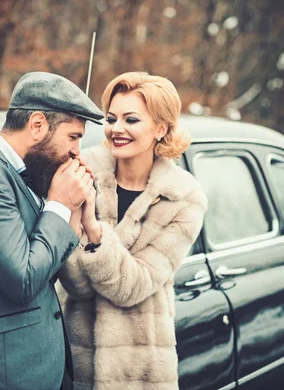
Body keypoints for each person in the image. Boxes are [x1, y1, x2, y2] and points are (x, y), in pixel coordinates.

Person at [0, 71, 104, 390]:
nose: (77, 152)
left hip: (41, 366)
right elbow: (23, 281)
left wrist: (75, 212)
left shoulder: (13, 173)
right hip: (8, 373)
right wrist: (57, 203)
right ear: (37, 125)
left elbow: (42, 271)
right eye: (73, 137)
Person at [57, 72, 208, 390]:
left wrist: (94, 232)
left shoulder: (183, 197)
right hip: (71, 357)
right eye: (111, 118)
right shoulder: (81, 172)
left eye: (132, 119)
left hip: (138, 371)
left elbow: (134, 286)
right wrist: (69, 212)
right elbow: (75, 284)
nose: (117, 129)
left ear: (161, 128)